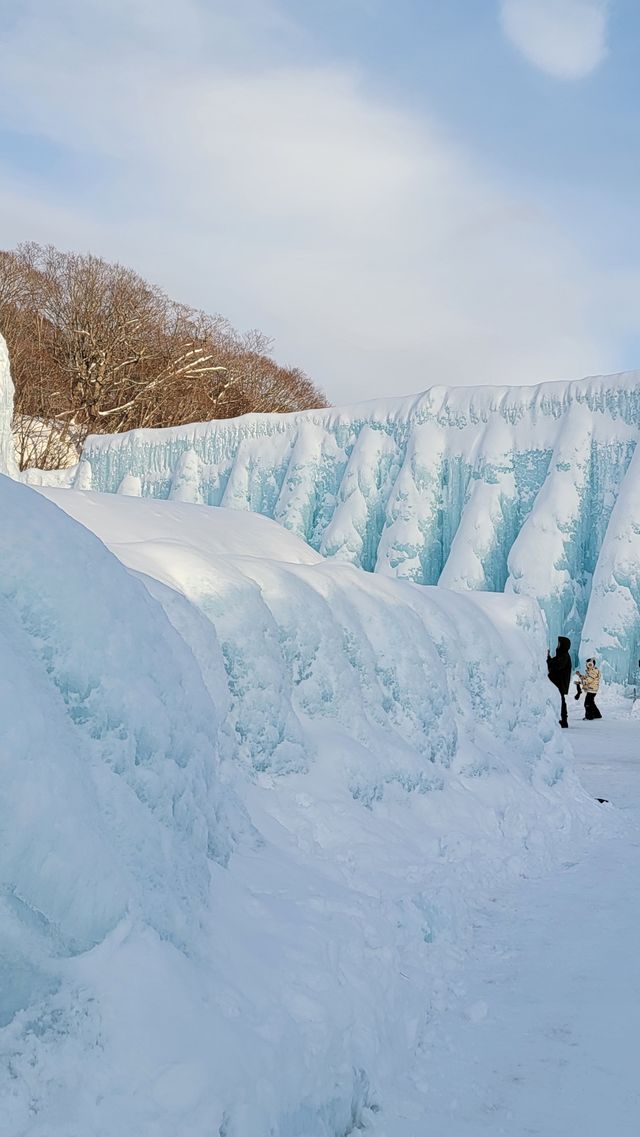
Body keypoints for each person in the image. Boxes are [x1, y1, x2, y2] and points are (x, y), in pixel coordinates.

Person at [547, 636, 572, 728]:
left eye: (559, 644)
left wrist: (548, 661)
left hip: (560, 683)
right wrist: (549, 658)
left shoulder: (564, 656)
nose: (558, 645)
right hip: (559, 682)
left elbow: (557, 665)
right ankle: (562, 719)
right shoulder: (562, 655)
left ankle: (563, 720)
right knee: (561, 700)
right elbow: (554, 662)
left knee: (561, 701)